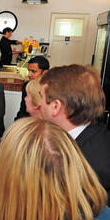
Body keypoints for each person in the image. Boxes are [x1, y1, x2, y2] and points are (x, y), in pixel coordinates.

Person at [39, 64, 110, 203]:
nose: (39, 104)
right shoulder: (95, 133)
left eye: (41, 97)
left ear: (56, 106)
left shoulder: (89, 164)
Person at [14, 56, 50, 120]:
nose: (29, 74)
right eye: (29, 71)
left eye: (33, 71)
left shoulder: (51, 90)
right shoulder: (26, 86)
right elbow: (23, 110)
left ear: (45, 73)